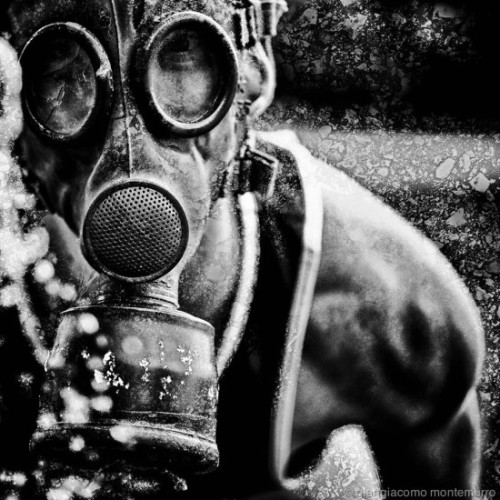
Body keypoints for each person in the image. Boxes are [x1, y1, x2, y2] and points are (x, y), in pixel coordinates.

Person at [0, 0, 484, 498]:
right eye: (60, 69)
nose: (128, 143)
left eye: (181, 53)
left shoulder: (376, 309)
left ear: (251, 75)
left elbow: (439, 460)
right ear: (11, 105)